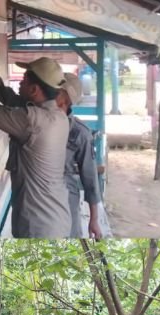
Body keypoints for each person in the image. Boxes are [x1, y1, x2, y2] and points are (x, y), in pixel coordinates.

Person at [0, 35, 71, 238]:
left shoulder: (32, 120)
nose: (19, 83)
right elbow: (1, 91)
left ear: (34, 90)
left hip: (38, 223)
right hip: (56, 216)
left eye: (24, 80)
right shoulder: (58, 117)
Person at [57, 73, 103, 238]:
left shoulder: (79, 133)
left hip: (66, 201)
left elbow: (90, 179)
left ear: (66, 99)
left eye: (55, 91)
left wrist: (94, 220)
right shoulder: (35, 121)